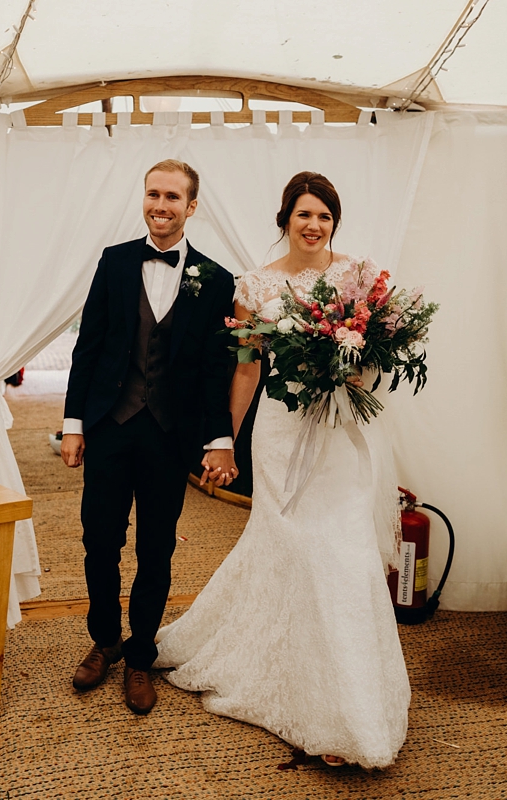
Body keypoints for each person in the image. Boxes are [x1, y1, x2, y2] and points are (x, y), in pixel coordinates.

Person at [154, 172, 410, 769]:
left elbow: (381, 355)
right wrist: (226, 440)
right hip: (280, 427)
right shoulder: (256, 286)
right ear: (284, 221)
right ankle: (304, 687)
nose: (314, 226)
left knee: (342, 551)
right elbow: (246, 367)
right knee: (291, 545)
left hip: (341, 428)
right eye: (303, 215)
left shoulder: (362, 279)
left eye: (324, 216)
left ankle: (353, 701)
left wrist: (353, 374)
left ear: (334, 223)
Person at [62, 159, 238, 715]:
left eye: (172, 197)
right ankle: (105, 640)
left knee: (156, 549)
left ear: (192, 206)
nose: (160, 206)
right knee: (99, 539)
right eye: (152, 195)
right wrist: (73, 425)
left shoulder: (215, 279)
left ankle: (140, 655)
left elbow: (217, 371)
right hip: (110, 425)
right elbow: (88, 346)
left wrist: (219, 438)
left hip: (169, 434)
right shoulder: (114, 262)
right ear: (144, 199)